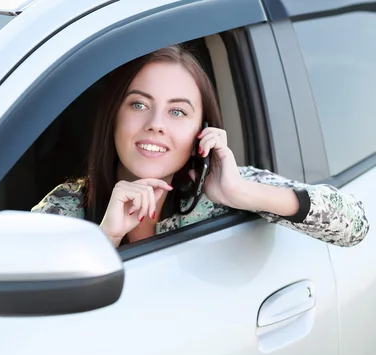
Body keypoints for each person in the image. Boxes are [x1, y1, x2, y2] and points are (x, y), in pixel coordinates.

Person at [31, 45, 369, 248]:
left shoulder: (224, 188)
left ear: (201, 130)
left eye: (177, 111)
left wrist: (242, 194)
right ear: (113, 117)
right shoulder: (66, 206)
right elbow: (26, 314)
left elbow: (354, 224)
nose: (156, 124)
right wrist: (106, 238)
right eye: (138, 104)